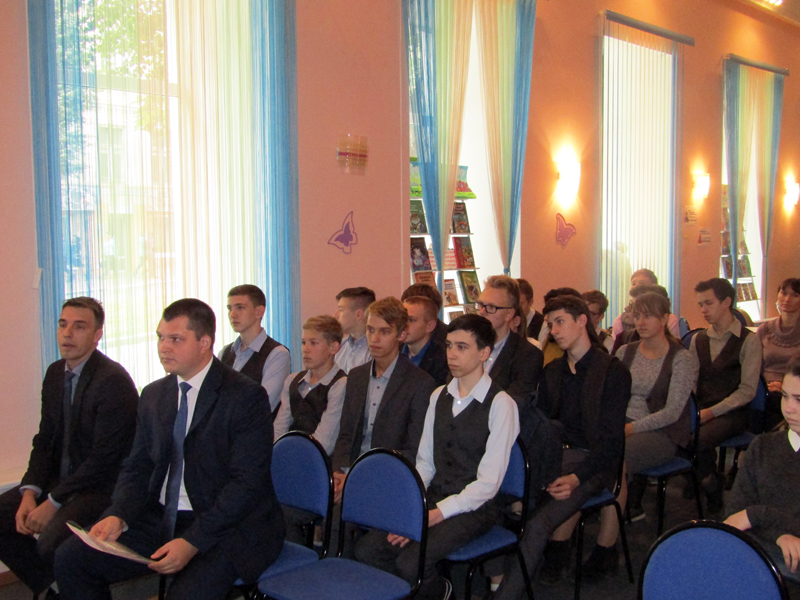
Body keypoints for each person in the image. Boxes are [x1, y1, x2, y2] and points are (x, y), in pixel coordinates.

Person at [54, 299, 285, 600]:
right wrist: (118, 514)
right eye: (161, 337)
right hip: (163, 517)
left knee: (184, 595)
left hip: (228, 525)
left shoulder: (244, 396)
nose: (163, 347)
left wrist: (193, 541)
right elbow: (137, 466)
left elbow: (246, 484)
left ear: (204, 343)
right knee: (71, 558)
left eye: (175, 339)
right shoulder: (154, 395)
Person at [354, 314, 519, 600]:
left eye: (462, 347)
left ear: (484, 353)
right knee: (368, 550)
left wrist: (435, 515)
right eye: (449, 346)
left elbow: (488, 484)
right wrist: (413, 508)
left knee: (411, 563)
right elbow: (425, 463)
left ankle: (442, 592)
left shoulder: (501, 404)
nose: (451, 354)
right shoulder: (439, 395)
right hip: (433, 497)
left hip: (475, 507)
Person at [493, 295, 631, 597]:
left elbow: (610, 445)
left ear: (582, 321)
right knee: (502, 501)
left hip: (591, 464)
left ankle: (506, 593)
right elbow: (543, 429)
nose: (554, 330)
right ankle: (499, 576)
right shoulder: (554, 370)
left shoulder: (612, 371)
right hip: (556, 456)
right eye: (550, 324)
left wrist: (575, 478)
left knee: (537, 522)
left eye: (560, 322)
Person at [0, 298, 138, 599]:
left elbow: (103, 460)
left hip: (99, 487)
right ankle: (52, 590)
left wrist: (53, 501)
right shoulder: (55, 373)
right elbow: (44, 439)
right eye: (63, 325)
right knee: (2, 514)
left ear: (97, 334)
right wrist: (29, 493)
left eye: (79, 327)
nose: (67, 334)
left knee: (51, 542)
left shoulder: (113, 381)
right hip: (62, 482)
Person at [580, 292, 698, 582]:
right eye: (637, 315)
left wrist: (631, 428)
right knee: (581, 450)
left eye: (649, 316)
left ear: (664, 319)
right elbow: (608, 394)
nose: (640, 322)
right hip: (621, 425)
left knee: (615, 459)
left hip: (661, 433)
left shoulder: (681, 358)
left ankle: (606, 548)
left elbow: (672, 412)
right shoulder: (625, 351)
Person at [331, 297, 436, 498]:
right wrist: (340, 471)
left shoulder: (420, 384)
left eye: (384, 331)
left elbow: (413, 449)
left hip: (389, 477)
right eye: (370, 330)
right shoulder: (356, 377)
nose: (375, 339)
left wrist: (359, 477)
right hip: (351, 473)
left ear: (401, 334)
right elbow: (346, 434)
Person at [724, 357, 800, 584]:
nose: (788, 408)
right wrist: (779, 535)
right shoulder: (763, 446)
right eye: (784, 396)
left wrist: (757, 515)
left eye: (799, 399)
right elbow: (734, 515)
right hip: (763, 549)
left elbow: (748, 516)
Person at [689, 278, 762, 513]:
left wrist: (711, 412)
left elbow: (747, 391)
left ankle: (709, 484)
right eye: (701, 304)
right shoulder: (699, 339)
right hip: (702, 407)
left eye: (708, 303)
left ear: (726, 302)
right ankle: (706, 476)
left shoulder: (749, 340)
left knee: (697, 440)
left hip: (733, 412)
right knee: (674, 433)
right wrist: (692, 410)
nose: (703, 310)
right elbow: (691, 381)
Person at [273, 315, 347, 455]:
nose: (305, 349)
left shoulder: (340, 385)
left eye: (313, 343)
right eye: (303, 343)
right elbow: (279, 428)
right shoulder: (292, 380)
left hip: (318, 460)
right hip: (287, 454)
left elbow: (325, 442)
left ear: (333, 347)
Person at [219, 284, 290, 417]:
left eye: (240, 307)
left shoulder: (277, 354)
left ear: (259, 312)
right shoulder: (224, 353)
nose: (232, 314)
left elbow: (262, 405)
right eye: (230, 308)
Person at [476, 275, 544, 410]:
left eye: (491, 307)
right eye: (480, 305)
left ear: (509, 314)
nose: (482, 312)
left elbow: (512, 403)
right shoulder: (466, 346)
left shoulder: (528, 355)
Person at [757, 278, 800, 431]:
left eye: (795, 295)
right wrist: (762, 386)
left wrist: (784, 386)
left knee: (776, 402)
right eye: (784, 293)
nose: (787, 299)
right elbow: (754, 366)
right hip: (764, 388)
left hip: (792, 389)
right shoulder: (764, 329)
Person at [611, 269, 680, 341]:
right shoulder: (621, 322)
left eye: (642, 284)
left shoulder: (669, 320)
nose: (637, 286)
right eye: (633, 284)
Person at [402, 295, 449, 386]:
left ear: (429, 326)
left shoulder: (443, 360)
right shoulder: (393, 352)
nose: (404, 324)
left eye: (411, 320)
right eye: (402, 319)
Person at [334, 286, 376, 373]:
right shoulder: (339, 347)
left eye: (341, 309)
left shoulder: (375, 350)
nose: (335, 315)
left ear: (358, 315)